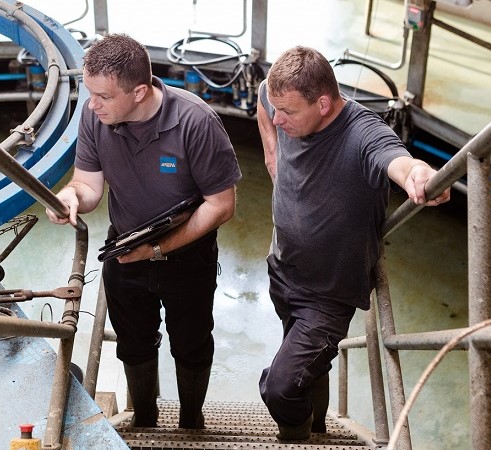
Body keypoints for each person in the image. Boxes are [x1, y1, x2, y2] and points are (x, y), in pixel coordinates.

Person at [45, 33, 242, 429]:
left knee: (191, 342)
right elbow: (88, 187)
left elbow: (222, 205)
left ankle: (190, 421)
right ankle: (145, 419)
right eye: (89, 92)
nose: (92, 104)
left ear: (139, 92)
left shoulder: (196, 122)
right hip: (125, 248)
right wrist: (69, 197)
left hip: (188, 257)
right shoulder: (95, 115)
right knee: (133, 343)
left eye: (103, 96)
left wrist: (156, 249)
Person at [256, 46, 450, 441]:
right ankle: (318, 425)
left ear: (323, 103)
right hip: (283, 269)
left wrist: (419, 174)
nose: (278, 120)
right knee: (309, 365)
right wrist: (272, 155)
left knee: (279, 387)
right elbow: (264, 97)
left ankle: (297, 439)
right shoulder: (278, 102)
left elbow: (396, 159)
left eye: (288, 113)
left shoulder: (363, 133)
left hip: (328, 293)